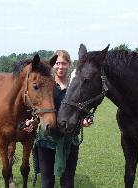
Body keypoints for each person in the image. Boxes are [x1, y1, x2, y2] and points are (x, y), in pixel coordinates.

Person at [23, 50, 92, 188]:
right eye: (58, 63)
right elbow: (39, 110)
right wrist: (32, 121)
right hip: (46, 141)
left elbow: (82, 111)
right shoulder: (46, 84)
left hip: (69, 141)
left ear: (69, 65)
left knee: (67, 182)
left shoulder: (75, 86)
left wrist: (85, 120)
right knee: (47, 182)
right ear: (54, 65)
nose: (60, 67)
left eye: (64, 63)